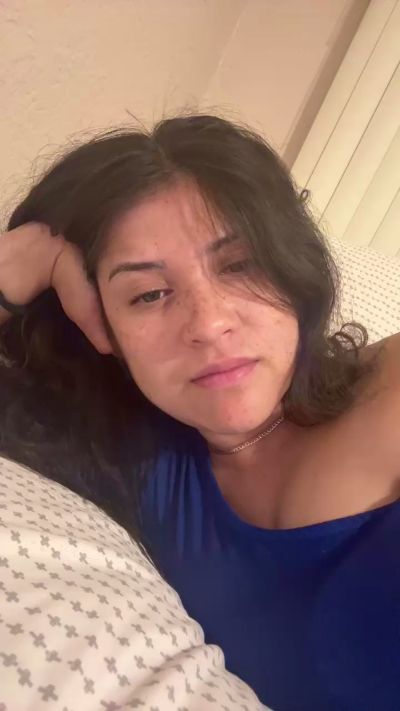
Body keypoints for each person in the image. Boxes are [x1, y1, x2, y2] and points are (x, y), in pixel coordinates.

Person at [0, 114, 399, 711]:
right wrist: (31, 256)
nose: (209, 323)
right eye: (148, 294)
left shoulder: (390, 387)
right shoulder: (131, 468)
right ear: (99, 325)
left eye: (239, 265)